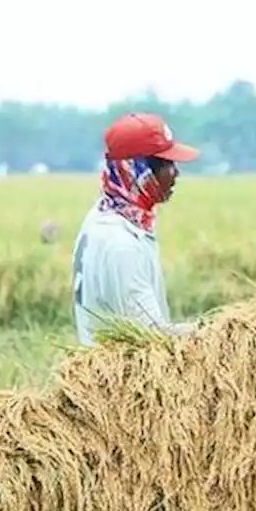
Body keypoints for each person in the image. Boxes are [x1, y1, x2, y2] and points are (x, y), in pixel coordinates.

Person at [72, 112, 200, 346]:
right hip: (121, 378)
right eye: (166, 164)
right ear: (137, 169)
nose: (175, 174)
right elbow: (153, 340)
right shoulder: (121, 244)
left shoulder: (104, 217)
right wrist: (216, 333)